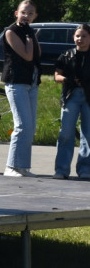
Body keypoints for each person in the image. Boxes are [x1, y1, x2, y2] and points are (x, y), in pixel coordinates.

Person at [1, 0, 41, 177]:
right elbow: (27, 55)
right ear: (16, 13)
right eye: (24, 12)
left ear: (35, 16)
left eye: (30, 13)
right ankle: (11, 167)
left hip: (31, 82)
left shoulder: (29, 31)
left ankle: (23, 167)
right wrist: (28, 37)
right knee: (22, 125)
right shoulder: (11, 31)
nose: (27, 16)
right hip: (15, 81)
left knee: (30, 127)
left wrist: (30, 35)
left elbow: (38, 54)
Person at [53, 23, 90, 180]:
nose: (80, 39)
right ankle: (61, 170)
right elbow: (56, 76)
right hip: (71, 96)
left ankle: (85, 169)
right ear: (73, 37)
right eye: (77, 36)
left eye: (84, 36)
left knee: (88, 135)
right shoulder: (66, 55)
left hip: (88, 97)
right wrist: (67, 79)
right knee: (66, 134)